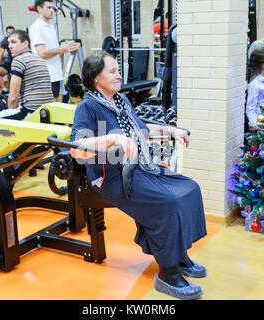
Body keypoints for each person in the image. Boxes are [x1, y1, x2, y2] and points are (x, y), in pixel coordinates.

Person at [70, 52, 207, 300]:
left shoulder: (120, 101)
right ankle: (168, 273)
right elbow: (76, 148)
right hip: (111, 176)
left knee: (189, 189)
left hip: (139, 167)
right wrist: (112, 138)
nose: (118, 74)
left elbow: (141, 128)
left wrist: (170, 130)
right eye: (111, 71)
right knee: (168, 202)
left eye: (117, 69)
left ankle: (179, 256)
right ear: (95, 78)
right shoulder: (87, 107)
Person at [0, 30, 54, 120]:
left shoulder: (19, 60)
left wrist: (8, 109)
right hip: (48, 112)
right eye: (8, 43)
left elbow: (13, 99)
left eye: (13, 42)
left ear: (25, 43)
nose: (9, 46)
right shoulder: (40, 60)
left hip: (31, 113)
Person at [29, 0, 80, 102]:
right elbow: (41, 53)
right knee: (52, 108)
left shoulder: (51, 27)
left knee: (59, 104)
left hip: (56, 73)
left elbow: (56, 52)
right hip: (47, 76)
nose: (52, 10)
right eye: (49, 8)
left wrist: (67, 46)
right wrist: (60, 49)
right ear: (39, 9)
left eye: (52, 8)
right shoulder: (37, 28)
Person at [0, 25, 15, 95]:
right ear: (6, 33)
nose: (10, 34)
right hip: (11, 63)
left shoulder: (19, 40)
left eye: (12, 32)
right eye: (9, 32)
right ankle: (5, 90)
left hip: (19, 63)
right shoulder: (5, 41)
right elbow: (1, 53)